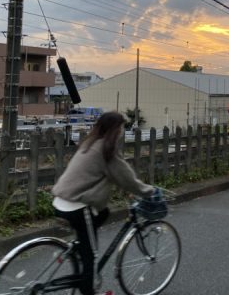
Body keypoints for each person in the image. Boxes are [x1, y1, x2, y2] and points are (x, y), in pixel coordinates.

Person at [52, 111, 155, 295]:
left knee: (104, 213)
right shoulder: (107, 151)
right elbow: (127, 178)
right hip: (77, 207)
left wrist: (124, 188)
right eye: (122, 127)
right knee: (90, 256)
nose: (123, 131)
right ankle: (88, 288)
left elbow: (109, 177)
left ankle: (80, 245)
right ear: (115, 130)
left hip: (61, 202)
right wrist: (149, 192)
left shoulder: (89, 144)